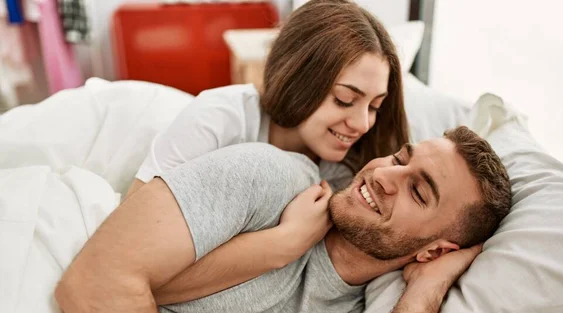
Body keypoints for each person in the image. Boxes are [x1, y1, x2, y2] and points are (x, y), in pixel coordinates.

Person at [55, 126, 512, 313]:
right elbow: (96, 278)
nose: (384, 175)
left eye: (418, 190)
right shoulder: (273, 179)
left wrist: (426, 291)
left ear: (434, 250)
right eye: (399, 158)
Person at [122, 0, 410, 287]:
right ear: (298, 79)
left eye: (375, 106)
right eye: (343, 100)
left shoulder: (346, 176)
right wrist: (284, 243)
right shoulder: (222, 118)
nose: (362, 124)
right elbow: (126, 241)